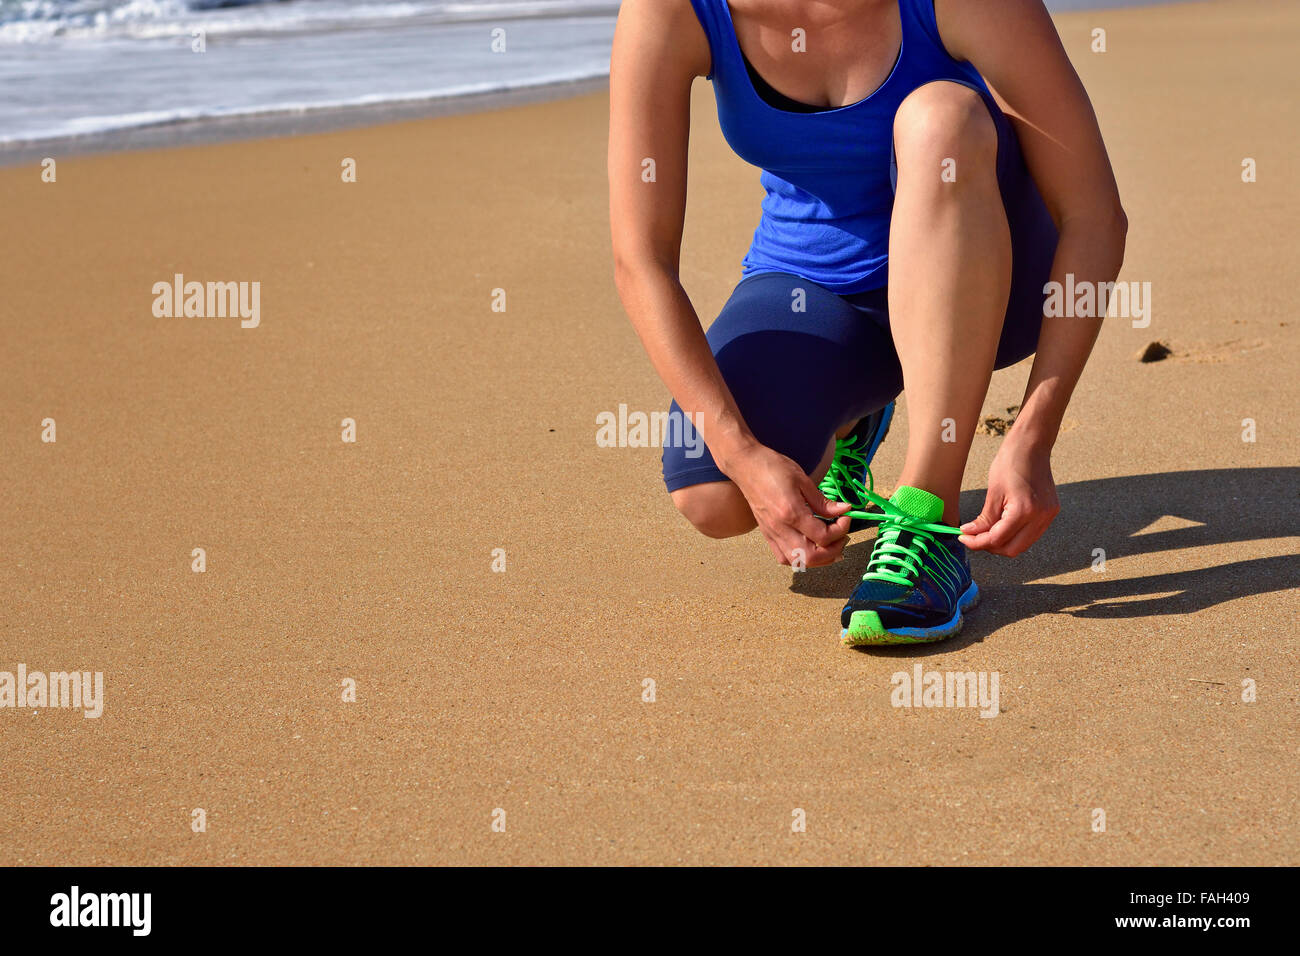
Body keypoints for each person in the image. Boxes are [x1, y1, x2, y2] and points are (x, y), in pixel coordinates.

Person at [607, 0, 1127, 644]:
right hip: (824, 291)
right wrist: (741, 455)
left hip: (999, 280)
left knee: (939, 118)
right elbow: (642, 259)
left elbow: (1095, 217)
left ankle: (925, 513)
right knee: (712, 496)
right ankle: (857, 409)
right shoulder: (675, 10)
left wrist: (1033, 433)